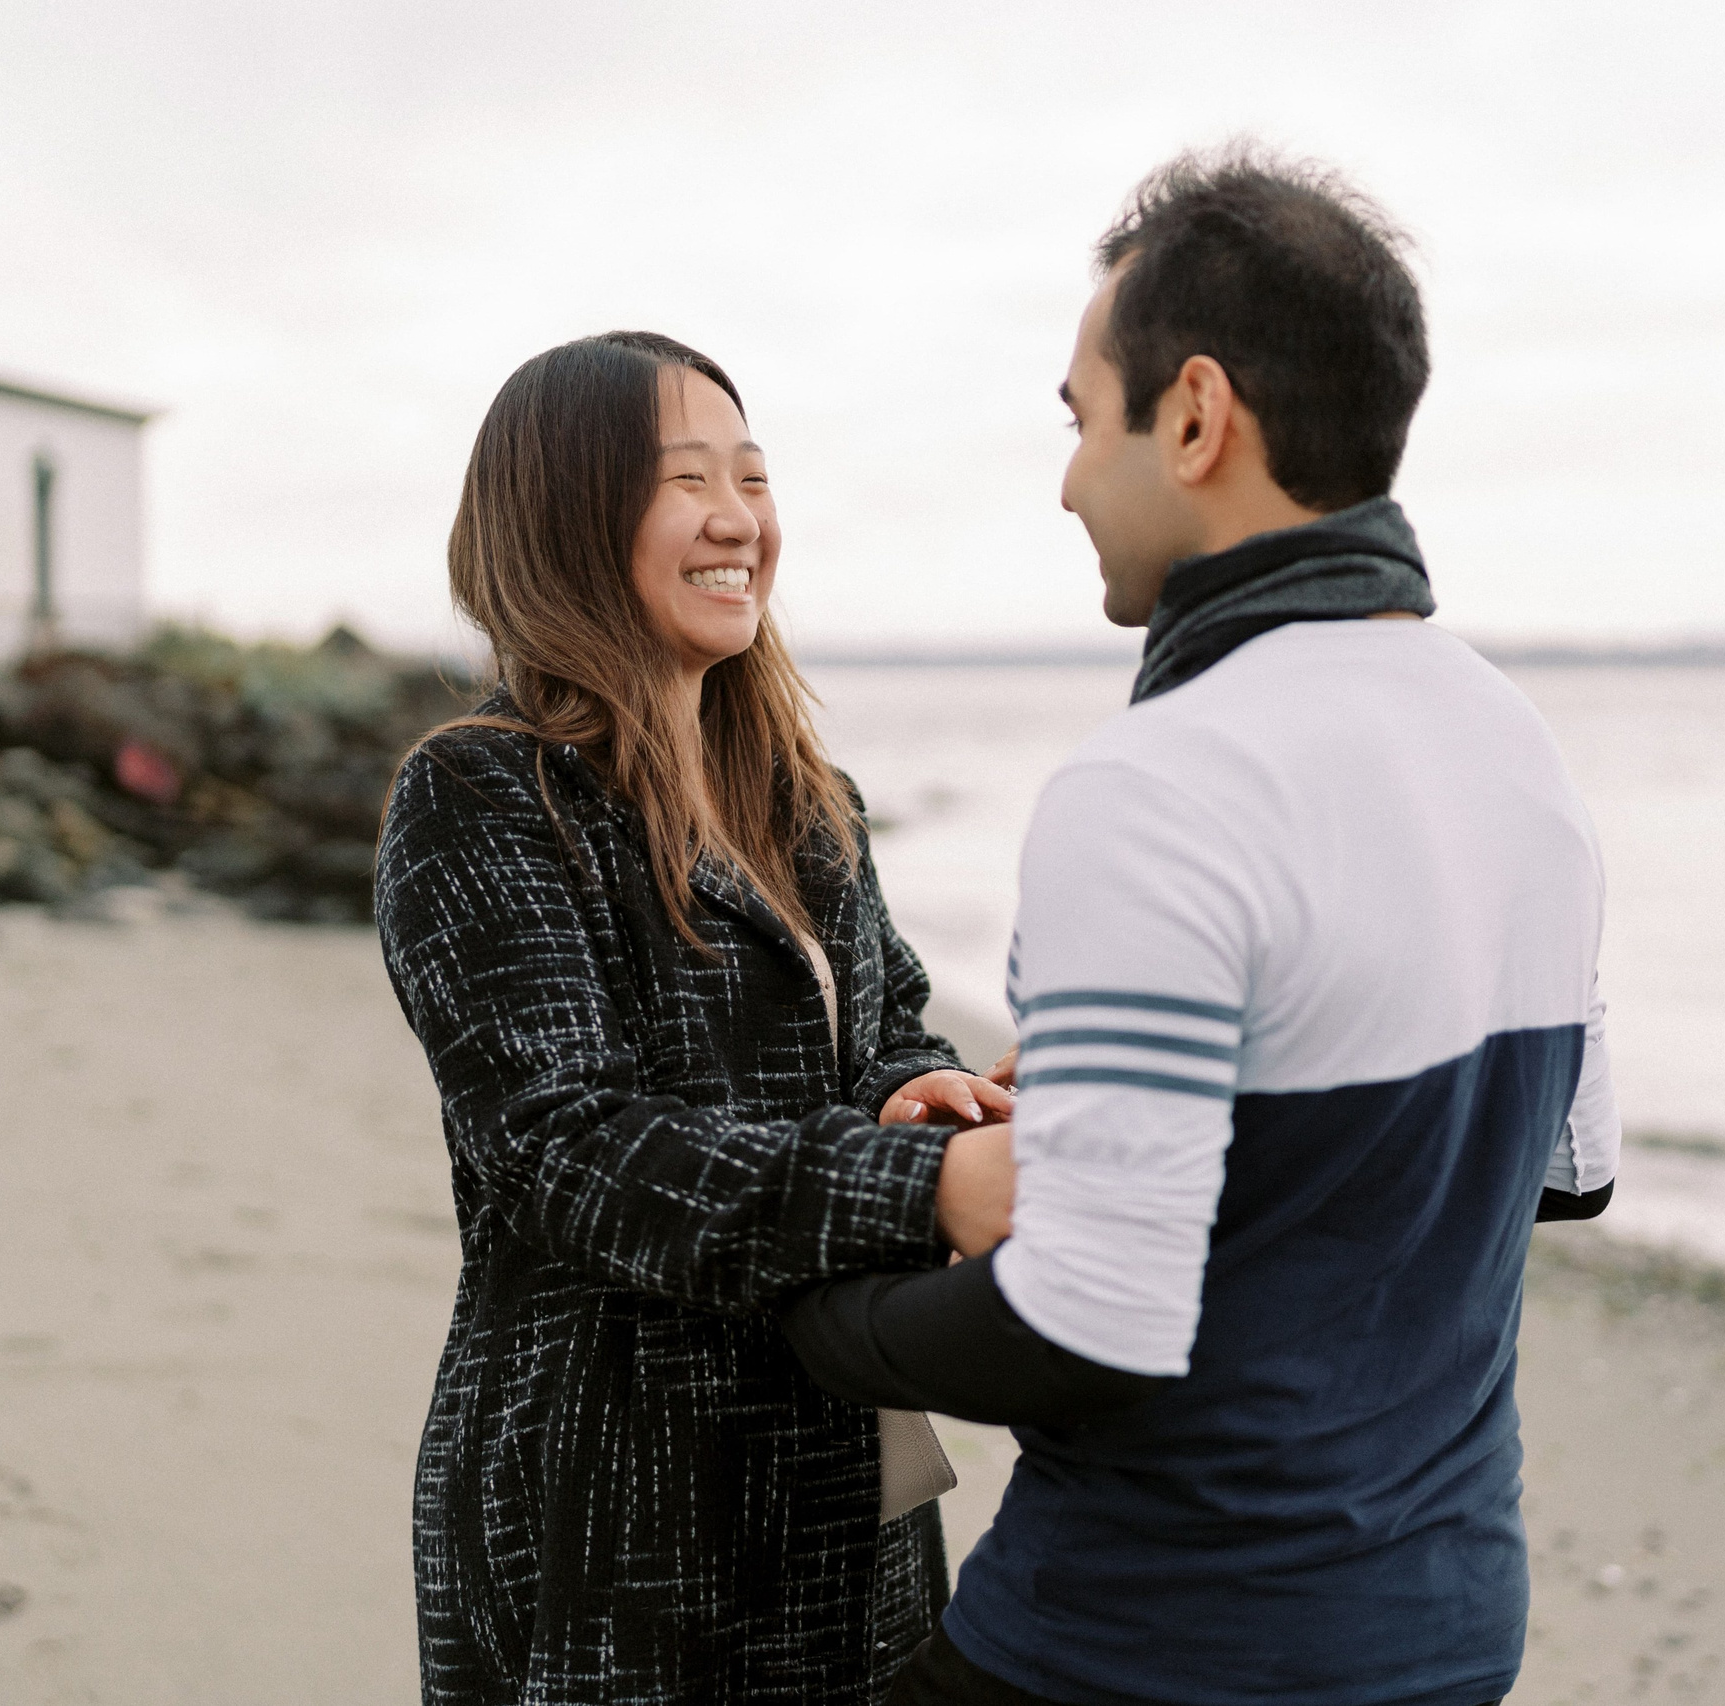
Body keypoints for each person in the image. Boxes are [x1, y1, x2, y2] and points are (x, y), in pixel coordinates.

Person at [782, 150, 1620, 1706]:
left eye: (1082, 416)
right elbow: (1562, 1174)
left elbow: (1087, 1326)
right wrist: (1139, 1101)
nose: (1067, 479)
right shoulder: (1521, 752)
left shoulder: (1159, 788)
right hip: (1444, 1631)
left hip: (1155, 1645)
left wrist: (822, 1318)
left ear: (1194, 416)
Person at [374, 330, 1018, 1706]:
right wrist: (927, 1182)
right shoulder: (481, 800)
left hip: (850, 1471)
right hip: (615, 1511)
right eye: (687, 481)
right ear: (564, 517)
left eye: (755, 475)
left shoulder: (806, 793)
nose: (741, 518)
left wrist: (927, 1093)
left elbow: (893, 1015)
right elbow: (573, 1151)